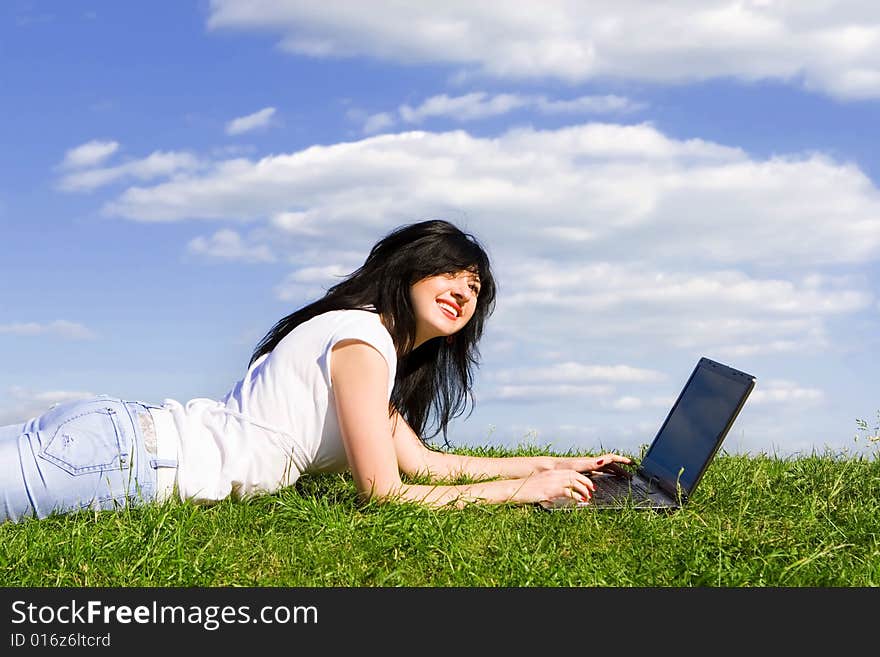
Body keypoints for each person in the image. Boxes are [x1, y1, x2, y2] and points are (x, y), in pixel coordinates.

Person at [0, 219, 630, 523]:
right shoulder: (362, 341)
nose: (463, 294)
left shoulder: (371, 351)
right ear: (409, 272)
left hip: (116, 443)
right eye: (449, 275)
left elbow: (428, 465)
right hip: (124, 460)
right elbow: (383, 494)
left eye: (475, 289)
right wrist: (518, 493)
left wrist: (558, 468)